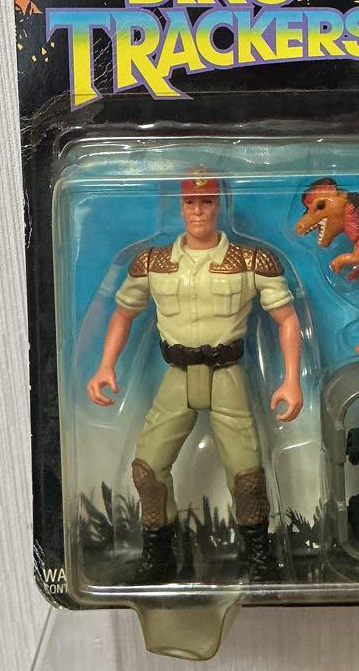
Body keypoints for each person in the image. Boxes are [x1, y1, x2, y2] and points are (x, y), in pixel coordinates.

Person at [87, 171, 303, 583]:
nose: (198, 210)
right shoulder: (153, 263)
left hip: (227, 376)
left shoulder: (250, 262)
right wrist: (105, 366)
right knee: (147, 469)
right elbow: (123, 314)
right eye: (190, 202)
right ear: (180, 206)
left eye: (206, 202)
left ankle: (259, 556)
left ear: (219, 205)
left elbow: (287, 320)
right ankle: (158, 554)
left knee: (247, 475)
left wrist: (291, 379)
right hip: (177, 374)